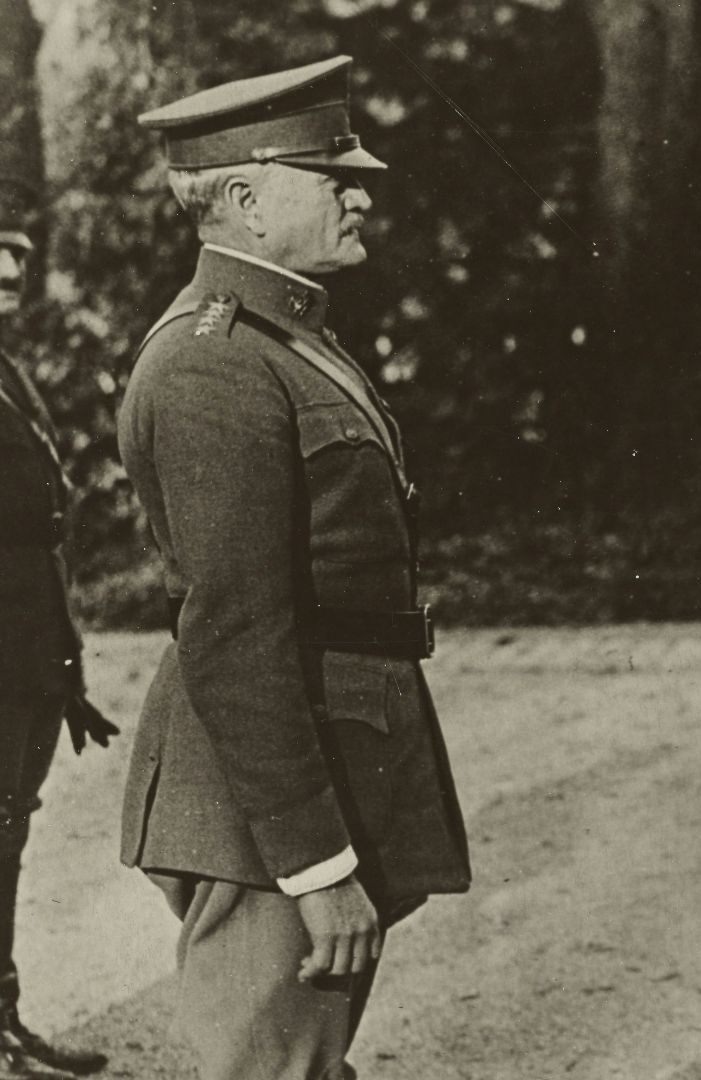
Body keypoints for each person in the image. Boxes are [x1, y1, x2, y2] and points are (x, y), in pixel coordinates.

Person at [119, 57, 471, 1079]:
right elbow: (234, 631)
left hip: (320, 758)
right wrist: (314, 865)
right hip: (268, 795)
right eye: (333, 178)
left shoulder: (282, 338)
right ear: (244, 200)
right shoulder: (214, 361)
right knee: (275, 1069)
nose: (361, 197)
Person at [0, 178, 117, 1078]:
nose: (10, 271)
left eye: (15, 255)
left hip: (29, 654)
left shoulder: (6, 371)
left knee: (8, 831)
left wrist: (62, 666)